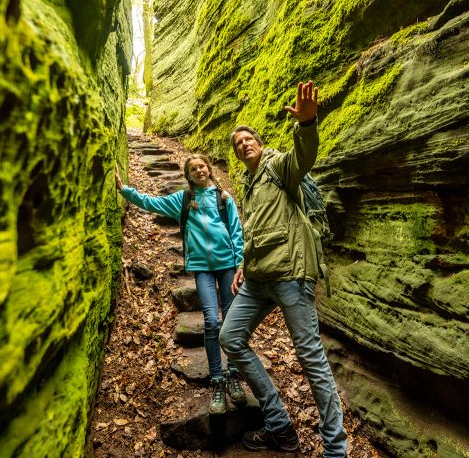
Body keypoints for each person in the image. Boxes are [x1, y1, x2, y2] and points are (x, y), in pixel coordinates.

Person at [219, 81, 347, 456]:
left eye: (248, 138)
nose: (244, 143)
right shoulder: (248, 184)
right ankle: (279, 425)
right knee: (230, 338)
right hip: (258, 279)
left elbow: (303, 156)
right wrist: (243, 263)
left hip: (291, 276)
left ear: (258, 143)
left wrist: (307, 124)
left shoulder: (277, 165)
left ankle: (336, 450)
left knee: (310, 358)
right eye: (237, 143)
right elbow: (256, 231)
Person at [115, 154, 247, 415]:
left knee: (231, 320)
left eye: (202, 166)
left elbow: (236, 230)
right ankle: (217, 381)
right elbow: (151, 203)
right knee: (211, 320)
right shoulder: (183, 200)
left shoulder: (224, 198)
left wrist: (240, 263)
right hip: (202, 268)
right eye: (193, 169)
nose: (199, 170)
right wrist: (124, 190)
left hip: (228, 266)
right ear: (188, 175)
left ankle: (234, 375)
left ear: (208, 169)